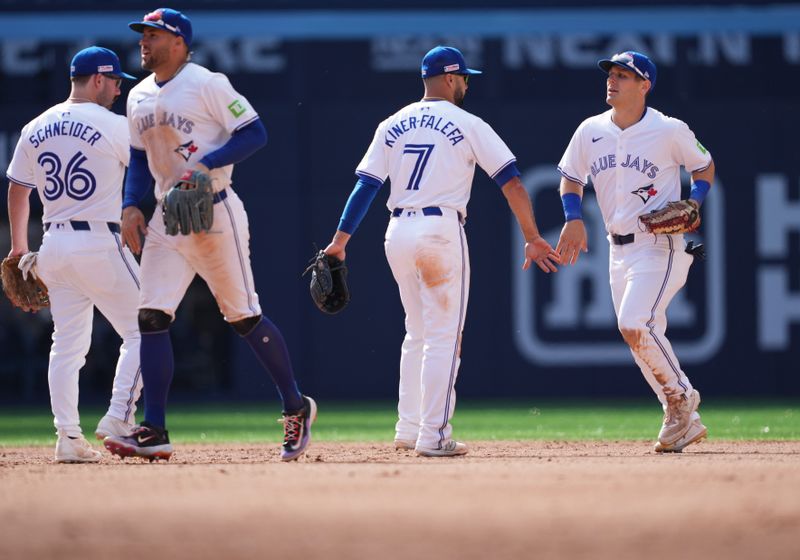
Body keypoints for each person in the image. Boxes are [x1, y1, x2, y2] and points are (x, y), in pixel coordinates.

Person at [322, 46, 559, 457]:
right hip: (439, 230)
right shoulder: (467, 123)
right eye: (466, 77)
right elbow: (513, 183)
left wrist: (340, 240)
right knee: (444, 337)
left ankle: (408, 426)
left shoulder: (392, 123)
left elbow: (366, 186)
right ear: (451, 78)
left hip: (396, 231)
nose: (467, 84)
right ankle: (433, 435)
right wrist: (534, 236)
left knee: (417, 332)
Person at [103, 8, 315, 462]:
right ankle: (154, 428)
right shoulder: (137, 95)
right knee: (151, 318)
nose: (144, 41)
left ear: (178, 41)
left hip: (215, 211)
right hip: (166, 215)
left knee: (242, 317)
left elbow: (254, 132)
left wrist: (205, 164)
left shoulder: (207, 83)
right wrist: (128, 206)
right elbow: (139, 159)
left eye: (153, 34)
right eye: (143, 34)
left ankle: (296, 406)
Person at [555, 51, 715, 452]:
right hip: (616, 248)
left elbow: (704, 165)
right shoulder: (590, 130)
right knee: (641, 335)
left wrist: (695, 202)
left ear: (645, 85)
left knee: (633, 324)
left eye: (624, 75)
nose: (613, 80)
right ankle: (683, 420)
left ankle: (682, 396)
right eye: (611, 73)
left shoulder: (668, 129)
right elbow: (571, 178)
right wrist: (572, 217)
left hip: (659, 245)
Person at [5, 46, 143, 463]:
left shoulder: (35, 126)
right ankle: (119, 415)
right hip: (99, 241)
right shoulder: (113, 125)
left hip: (53, 245)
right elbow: (144, 172)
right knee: (147, 328)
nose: (120, 89)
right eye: (116, 80)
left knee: (66, 346)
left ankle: (67, 438)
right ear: (98, 79)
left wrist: (18, 247)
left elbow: (17, 189)